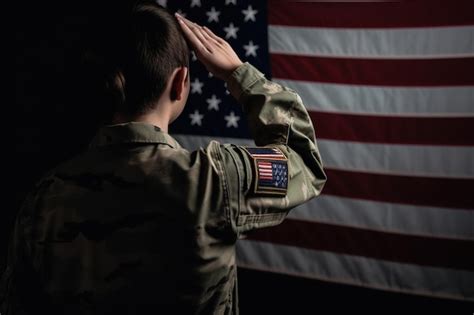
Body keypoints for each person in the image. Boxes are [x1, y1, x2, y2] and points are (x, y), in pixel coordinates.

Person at [2, 2, 326, 314]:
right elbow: (303, 162)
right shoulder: (212, 182)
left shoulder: (44, 199)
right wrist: (239, 75)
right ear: (180, 82)